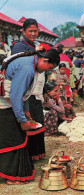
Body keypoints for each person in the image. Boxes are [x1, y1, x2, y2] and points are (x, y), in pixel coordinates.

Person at [0, 47, 60, 184]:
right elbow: (16, 96)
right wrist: (22, 120)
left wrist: (26, 111)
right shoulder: (27, 68)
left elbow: (25, 92)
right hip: (4, 105)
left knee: (17, 139)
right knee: (14, 140)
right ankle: (11, 176)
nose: (47, 71)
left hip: (8, 104)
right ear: (44, 60)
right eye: (48, 68)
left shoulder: (30, 63)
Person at [11, 18, 46, 161]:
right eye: (30, 31)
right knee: (28, 121)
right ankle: (29, 155)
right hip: (24, 88)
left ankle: (37, 153)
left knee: (37, 119)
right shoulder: (19, 48)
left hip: (37, 89)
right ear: (23, 31)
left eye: (35, 31)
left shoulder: (37, 46)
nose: (33, 33)